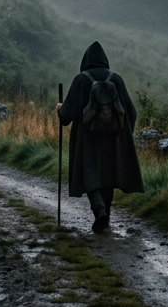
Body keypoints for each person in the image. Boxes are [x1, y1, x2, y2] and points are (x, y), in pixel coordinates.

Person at [57, 41, 144, 233]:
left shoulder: (81, 79)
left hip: (87, 140)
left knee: (91, 175)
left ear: (86, 61)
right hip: (114, 140)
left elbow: (66, 117)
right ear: (105, 61)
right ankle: (106, 217)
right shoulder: (116, 79)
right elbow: (132, 112)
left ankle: (100, 213)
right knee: (108, 176)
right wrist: (124, 135)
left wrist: (60, 109)